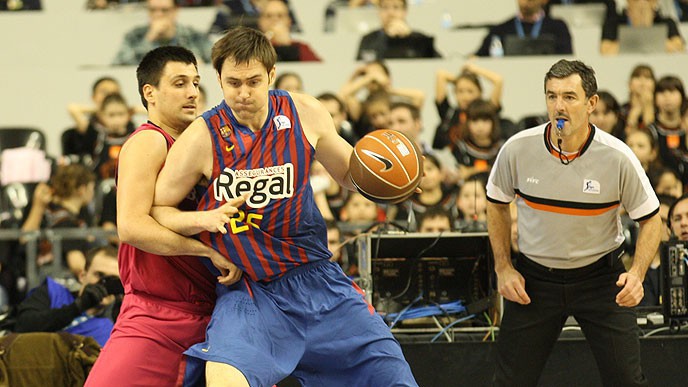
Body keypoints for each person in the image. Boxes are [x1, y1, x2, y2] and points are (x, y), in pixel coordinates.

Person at [153, 26, 417, 386]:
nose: (243, 93)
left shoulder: (303, 111)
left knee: (393, 375)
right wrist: (205, 219)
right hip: (251, 290)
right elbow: (159, 209)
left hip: (317, 279)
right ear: (218, 79)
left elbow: (348, 174)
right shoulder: (202, 136)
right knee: (224, 378)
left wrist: (385, 176)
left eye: (253, 82)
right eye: (233, 83)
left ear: (271, 75)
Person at [486, 59, 661, 386]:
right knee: (509, 381)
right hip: (535, 279)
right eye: (551, 96)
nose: (558, 106)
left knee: (627, 379)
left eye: (569, 97)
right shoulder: (518, 148)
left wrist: (636, 274)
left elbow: (651, 219)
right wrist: (503, 267)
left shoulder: (618, 156)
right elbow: (495, 204)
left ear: (591, 103)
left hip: (600, 277)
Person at [84, 46, 242, 386]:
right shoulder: (149, 142)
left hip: (221, 312)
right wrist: (206, 251)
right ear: (149, 92)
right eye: (180, 83)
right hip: (158, 315)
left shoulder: (204, 144)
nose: (192, 93)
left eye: (196, 83)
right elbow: (131, 226)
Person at [15, 246, 121, 347]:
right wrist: (79, 306)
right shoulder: (53, 292)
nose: (104, 283)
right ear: (82, 276)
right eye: (99, 275)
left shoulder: (116, 326)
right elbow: (22, 327)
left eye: (112, 280)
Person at [21, 164, 97, 278]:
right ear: (82, 189)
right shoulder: (67, 221)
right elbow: (76, 263)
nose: (93, 193)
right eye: (92, 188)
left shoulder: (55, 212)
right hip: (58, 279)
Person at [112, 0, 213, 66]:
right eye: (153, 10)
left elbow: (216, 62)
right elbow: (118, 67)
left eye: (164, 10)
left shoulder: (194, 36)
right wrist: (149, 39)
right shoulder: (134, 36)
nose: (158, 15)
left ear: (175, 11)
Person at [474, 0, 573, 57]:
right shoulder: (500, 30)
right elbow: (481, 56)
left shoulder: (558, 28)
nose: (526, 2)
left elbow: (567, 57)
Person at [356, 0, 441, 61]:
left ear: (405, 11)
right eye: (385, 7)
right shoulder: (369, 39)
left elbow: (436, 62)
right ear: (379, 11)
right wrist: (386, 38)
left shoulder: (419, 39)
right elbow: (362, 64)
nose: (390, 13)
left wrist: (409, 37)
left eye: (396, 7)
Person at [601, 0, 684, 55]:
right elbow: (606, 51)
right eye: (636, 0)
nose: (642, 3)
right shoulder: (613, 23)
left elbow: (678, 48)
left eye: (647, 0)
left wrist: (646, 27)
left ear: (655, 2)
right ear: (628, 2)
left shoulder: (667, 22)